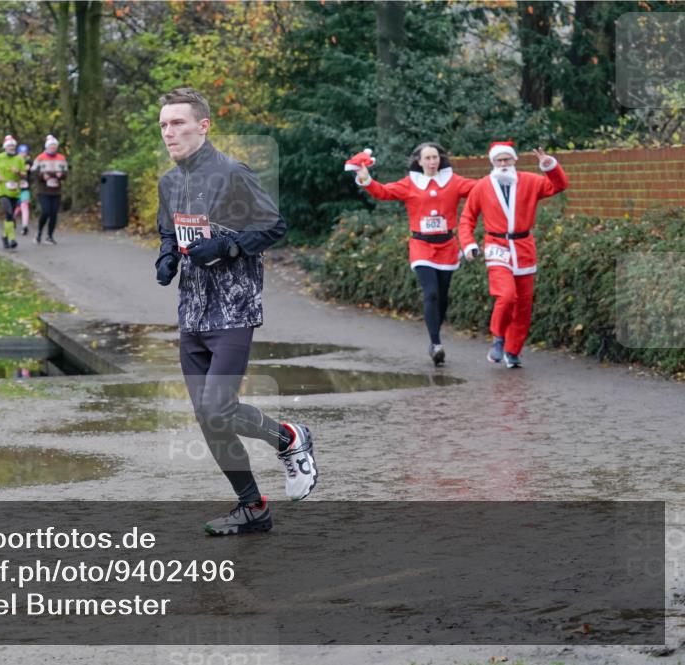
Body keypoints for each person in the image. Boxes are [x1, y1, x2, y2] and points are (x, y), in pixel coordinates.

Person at [154, 87, 319, 536]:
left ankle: (289, 438)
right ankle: (253, 507)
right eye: (165, 124)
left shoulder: (231, 174)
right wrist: (167, 257)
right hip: (192, 314)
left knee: (218, 407)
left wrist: (226, 245)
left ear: (203, 126)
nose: (170, 132)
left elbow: (272, 226)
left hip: (233, 309)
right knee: (209, 419)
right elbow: (168, 232)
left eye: (179, 123)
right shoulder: (170, 182)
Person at [351, 143, 478, 366]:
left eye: (435, 157)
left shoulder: (454, 181)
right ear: (419, 161)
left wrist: (500, 173)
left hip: (447, 246)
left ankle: (434, 338)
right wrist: (365, 178)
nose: (432, 161)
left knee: (443, 298)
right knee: (431, 294)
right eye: (427, 158)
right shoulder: (411, 183)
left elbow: (480, 189)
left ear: (440, 159)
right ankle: (436, 343)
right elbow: (384, 192)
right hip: (421, 246)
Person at [459, 142, 569, 368]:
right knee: (507, 295)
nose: (503, 164)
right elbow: (467, 219)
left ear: (514, 161)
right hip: (496, 245)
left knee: (523, 305)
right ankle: (498, 337)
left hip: (524, 246)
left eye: (507, 160)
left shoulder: (530, 181)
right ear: (493, 163)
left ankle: (513, 351)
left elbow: (559, 186)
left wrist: (549, 165)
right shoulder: (481, 187)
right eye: (499, 161)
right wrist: (469, 244)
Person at [0, 135, 27, 249]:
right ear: (5, 147)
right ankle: (12, 238)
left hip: (14, 190)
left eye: (13, 146)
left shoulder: (19, 159)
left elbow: (24, 174)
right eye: (9, 146)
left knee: (10, 216)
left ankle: (4, 236)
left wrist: (18, 171)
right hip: (2, 190)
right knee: (9, 212)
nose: (11, 147)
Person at [31, 135, 68, 244]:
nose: (53, 148)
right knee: (46, 211)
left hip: (56, 190)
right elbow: (34, 172)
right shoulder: (40, 157)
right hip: (43, 190)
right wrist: (42, 176)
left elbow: (66, 173)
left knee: (54, 213)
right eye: (51, 146)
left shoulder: (61, 158)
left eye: (54, 146)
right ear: (47, 147)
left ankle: (50, 236)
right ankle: (39, 232)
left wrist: (61, 175)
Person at [17, 143, 32, 235]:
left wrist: (18, 170)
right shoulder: (13, 161)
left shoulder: (29, 162)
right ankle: (11, 221)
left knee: (25, 205)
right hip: (14, 188)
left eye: (25, 152)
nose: (23, 154)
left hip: (25, 187)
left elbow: (26, 171)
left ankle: (25, 226)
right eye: (21, 152)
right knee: (16, 208)